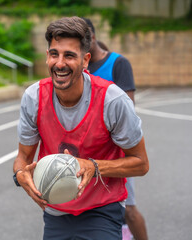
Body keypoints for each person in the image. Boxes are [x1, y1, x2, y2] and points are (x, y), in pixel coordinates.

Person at [13, 16, 149, 240]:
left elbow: (141, 164)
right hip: (56, 207)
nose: (60, 63)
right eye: (54, 54)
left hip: (102, 208)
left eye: (69, 56)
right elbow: (23, 157)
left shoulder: (112, 100)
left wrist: (92, 166)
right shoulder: (34, 97)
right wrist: (20, 174)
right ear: (47, 56)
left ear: (86, 60)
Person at [83, 17, 149, 240]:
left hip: (115, 149)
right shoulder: (78, 67)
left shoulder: (118, 63)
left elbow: (128, 108)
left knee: (127, 210)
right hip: (87, 150)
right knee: (89, 210)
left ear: (92, 37)